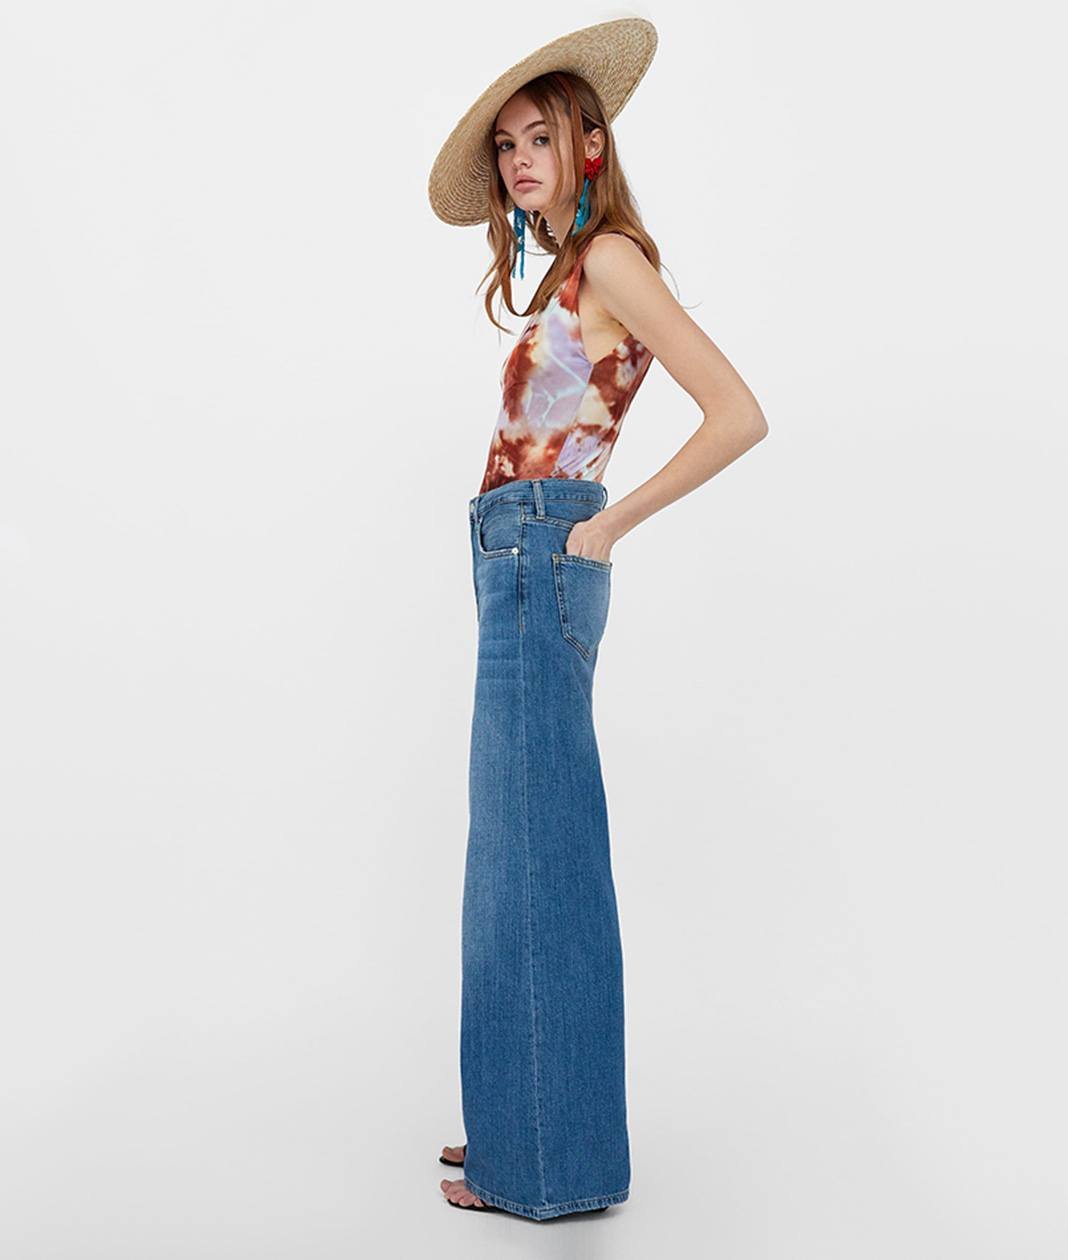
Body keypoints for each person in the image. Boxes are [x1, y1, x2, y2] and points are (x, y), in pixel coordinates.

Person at [427, 18, 768, 1221]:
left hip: (544, 552)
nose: (520, 159)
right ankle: (526, 1118)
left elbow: (737, 413)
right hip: (514, 559)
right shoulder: (567, 271)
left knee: (540, 858)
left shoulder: (612, 260)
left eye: (541, 137)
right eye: (506, 145)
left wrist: (608, 524)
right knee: (513, 858)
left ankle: (550, 1163)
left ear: (589, 143)